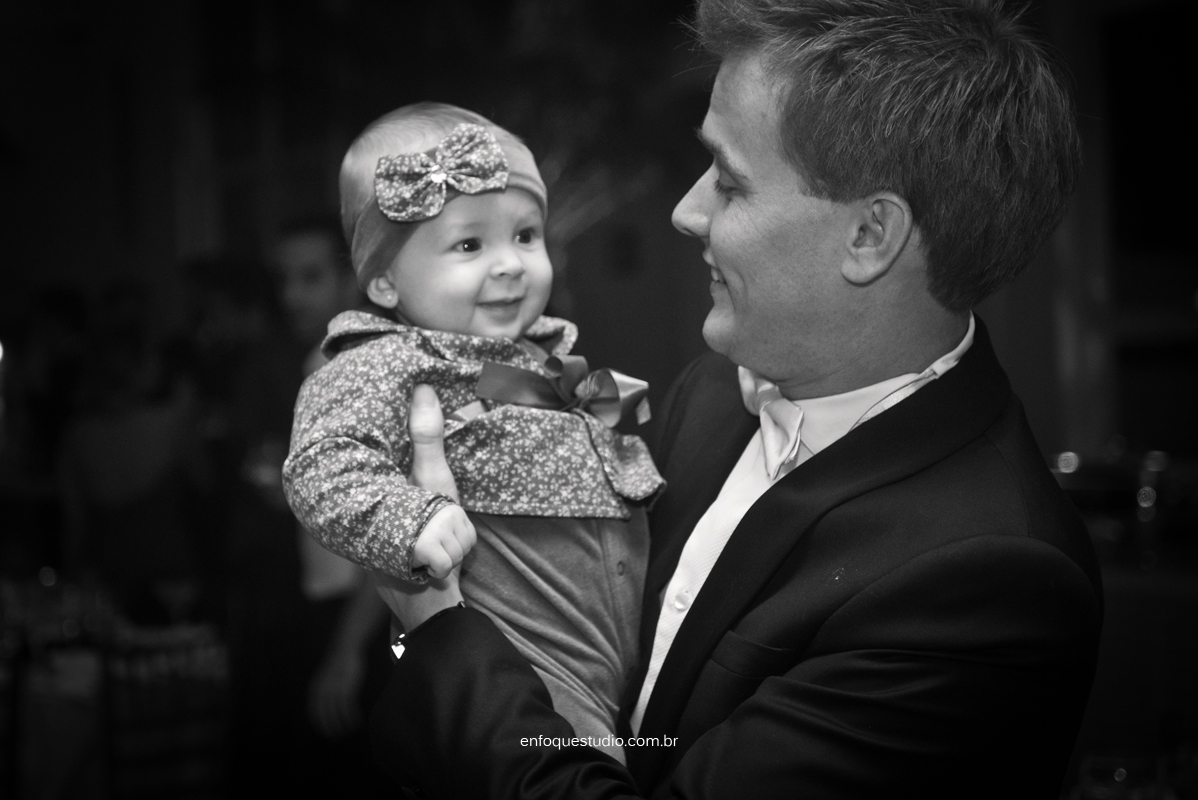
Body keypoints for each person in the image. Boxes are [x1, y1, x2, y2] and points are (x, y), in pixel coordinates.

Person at [366, 1, 1103, 798]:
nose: (687, 212)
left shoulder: (987, 586)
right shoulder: (718, 388)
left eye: (730, 180)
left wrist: (439, 627)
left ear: (870, 237)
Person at [282, 103, 665, 763]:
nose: (511, 264)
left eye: (525, 235)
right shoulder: (384, 362)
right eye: (469, 245)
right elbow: (321, 464)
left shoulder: (547, 358)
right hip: (527, 656)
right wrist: (411, 520)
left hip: (625, 654)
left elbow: (634, 426)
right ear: (382, 279)